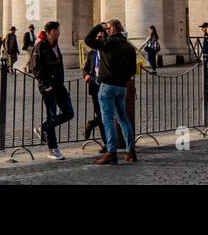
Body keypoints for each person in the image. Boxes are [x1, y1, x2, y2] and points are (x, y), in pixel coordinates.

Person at [83, 20, 138, 164]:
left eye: (107, 28)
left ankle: (111, 152)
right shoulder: (129, 46)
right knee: (123, 118)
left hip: (107, 86)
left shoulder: (108, 43)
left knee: (106, 119)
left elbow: (88, 40)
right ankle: (131, 152)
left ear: (112, 29)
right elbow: (133, 70)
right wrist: (123, 80)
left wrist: (98, 27)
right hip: (122, 87)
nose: (106, 31)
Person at [30, 21, 73, 161]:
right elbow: (34, 68)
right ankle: (53, 149)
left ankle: (43, 128)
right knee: (52, 115)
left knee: (69, 113)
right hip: (48, 86)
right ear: (53, 31)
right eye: (58, 30)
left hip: (58, 84)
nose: (60, 33)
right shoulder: (40, 46)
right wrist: (46, 84)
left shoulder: (55, 45)